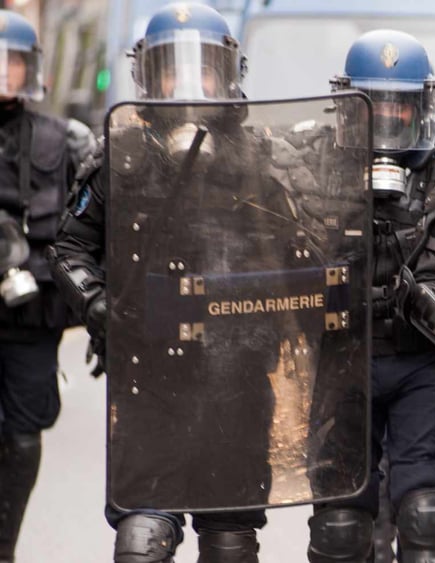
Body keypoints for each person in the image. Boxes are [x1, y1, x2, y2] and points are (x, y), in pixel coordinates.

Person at [48, 4, 274, 561]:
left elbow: (302, 258)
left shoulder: (263, 158)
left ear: (229, 75)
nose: (191, 85)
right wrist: (97, 303)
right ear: (149, 77)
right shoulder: (118, 157)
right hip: (150, 376)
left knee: (229, 543)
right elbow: (70, 249)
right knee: (142, 540)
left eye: (205, 70)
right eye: (174, 71)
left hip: (237, 378)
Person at [309, 29, 435, 563]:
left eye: (401, 107)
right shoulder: (313, 163)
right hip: (344, 357)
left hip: (426, 362)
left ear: (424, 107)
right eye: (375, 108)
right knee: (340, 526)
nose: (389, 120)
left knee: (428, 516)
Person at [0, 9, 94, 562]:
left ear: (28, 68)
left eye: (10, 62)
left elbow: (93, 234)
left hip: (31, 317)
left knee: (22, 435)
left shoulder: (67, 142)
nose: (2, 72)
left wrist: (105, 314)